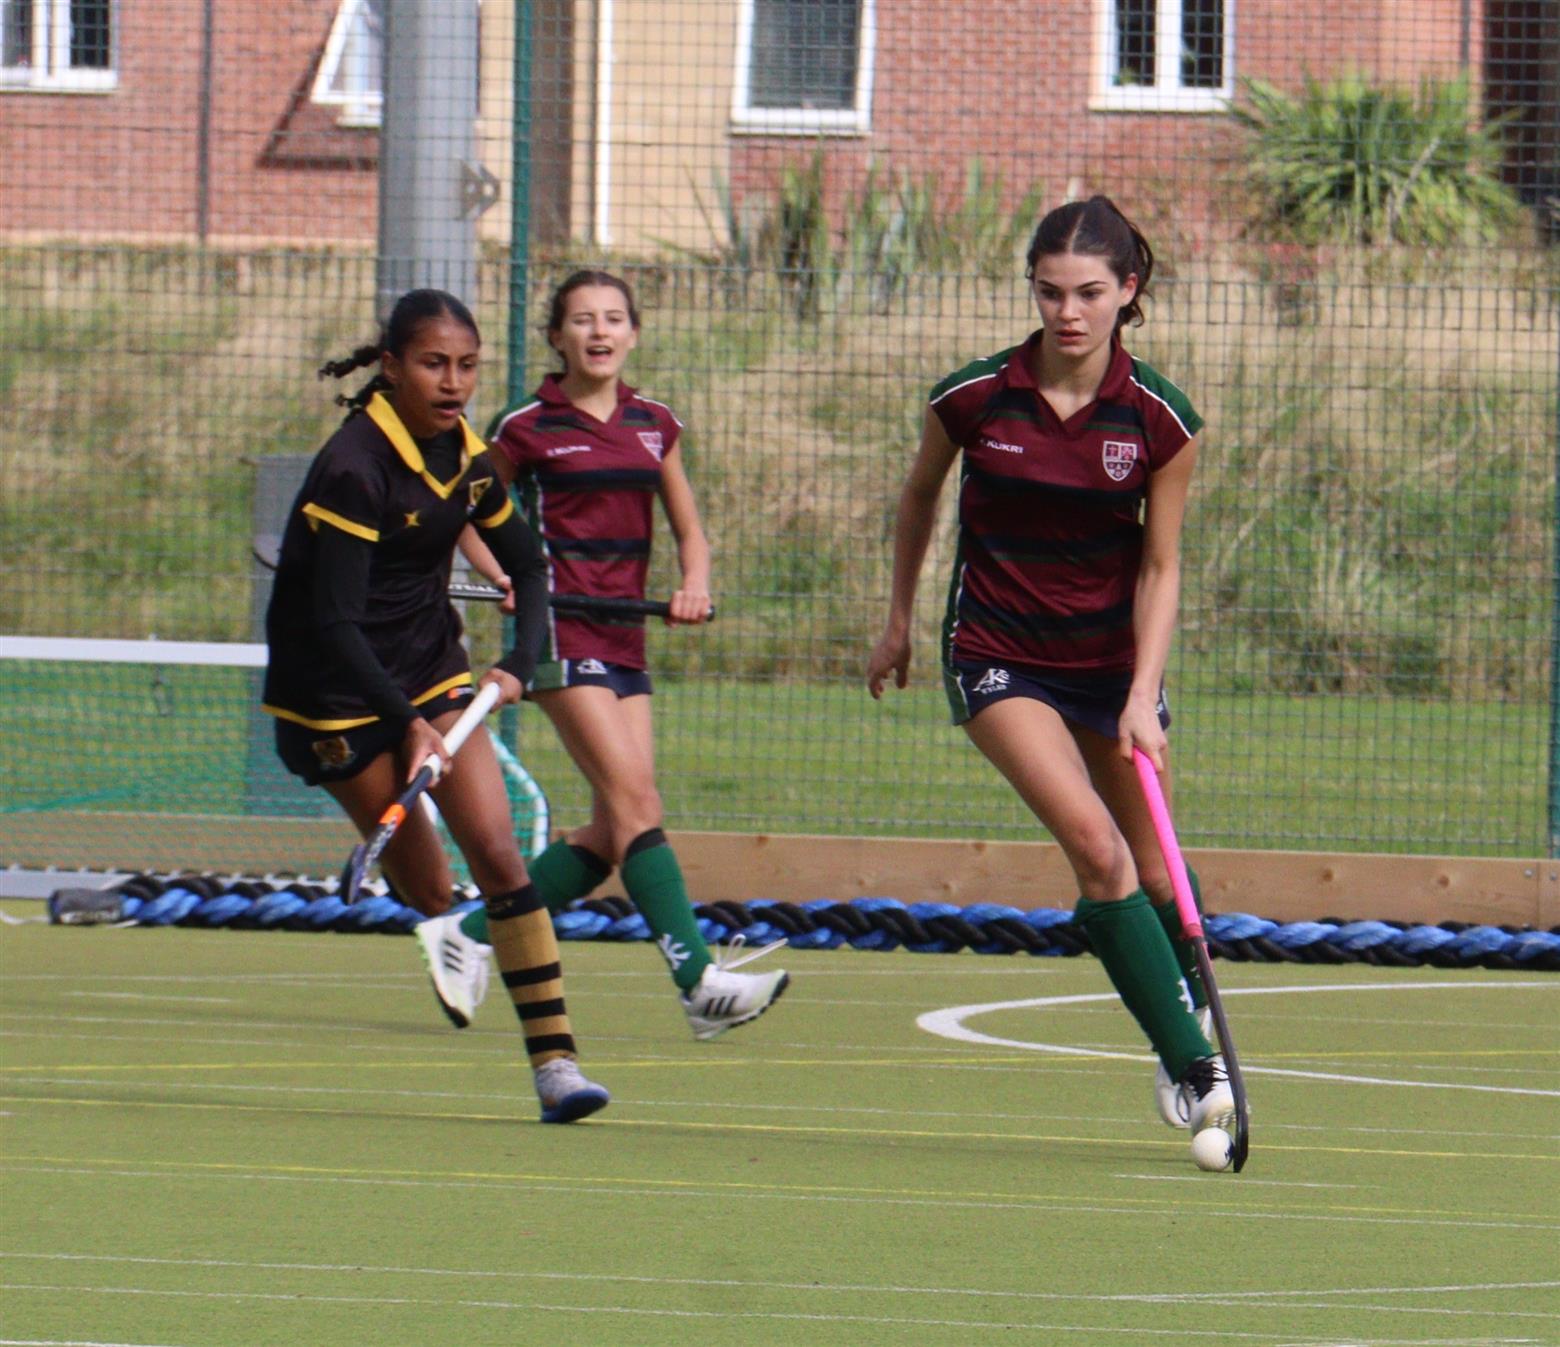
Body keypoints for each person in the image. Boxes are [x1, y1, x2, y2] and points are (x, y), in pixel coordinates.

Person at [865, 196, 1235, 1151]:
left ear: (1128, 292)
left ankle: (1174, 1024)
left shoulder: (1162, 419)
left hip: (1110, 665)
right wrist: (900, 618)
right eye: (1049, 291)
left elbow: (1161, 565)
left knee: (1158, 869)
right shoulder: (974, 398)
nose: (1068, 312)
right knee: (1098, 847)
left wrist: (1144, 692)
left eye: (1089, 293)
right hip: (998, 656)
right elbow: (916, 499)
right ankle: (1199, 1072)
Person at [261, 288, 610, 1124]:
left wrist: (519, 661)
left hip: (431, 668)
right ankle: (444, 923)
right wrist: (411, 726)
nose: (452, 383)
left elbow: (528, 568)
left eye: (466, 366)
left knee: (500, 853)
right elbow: (335, 620)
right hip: (336, 695)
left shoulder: (466, 455)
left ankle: (557, 1067)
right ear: (391, 367)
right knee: (428, 886)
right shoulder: (354, 467)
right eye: (432, 364)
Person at [417, 269, 789, 1040]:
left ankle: (469, 934)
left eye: (614, 318)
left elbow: (689, 530)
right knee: (637, 806)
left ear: (633, 333)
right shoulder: (526, 426)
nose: (599, 332)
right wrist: (504, 577)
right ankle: (698, 983)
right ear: (556, 337)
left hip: (625, 636)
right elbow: (466, 513)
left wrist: (694, 583)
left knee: (613, 829)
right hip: (559, 630)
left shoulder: (655, 423)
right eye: (582, 319)